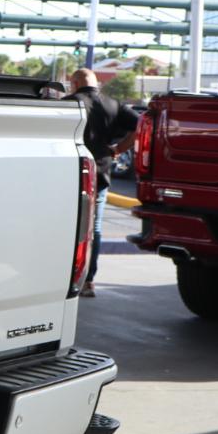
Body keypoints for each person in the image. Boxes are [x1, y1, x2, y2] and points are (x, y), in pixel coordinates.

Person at [65, 68, 140, 297]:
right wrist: (119, 149)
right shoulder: (113, 105)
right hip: (99, 175)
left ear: (75, 83)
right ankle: (88, 281)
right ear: (96, 83)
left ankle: (65, 277)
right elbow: (141, 124)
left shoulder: (68, 104)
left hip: (68, 173)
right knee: (93, 228)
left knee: (66, 227)